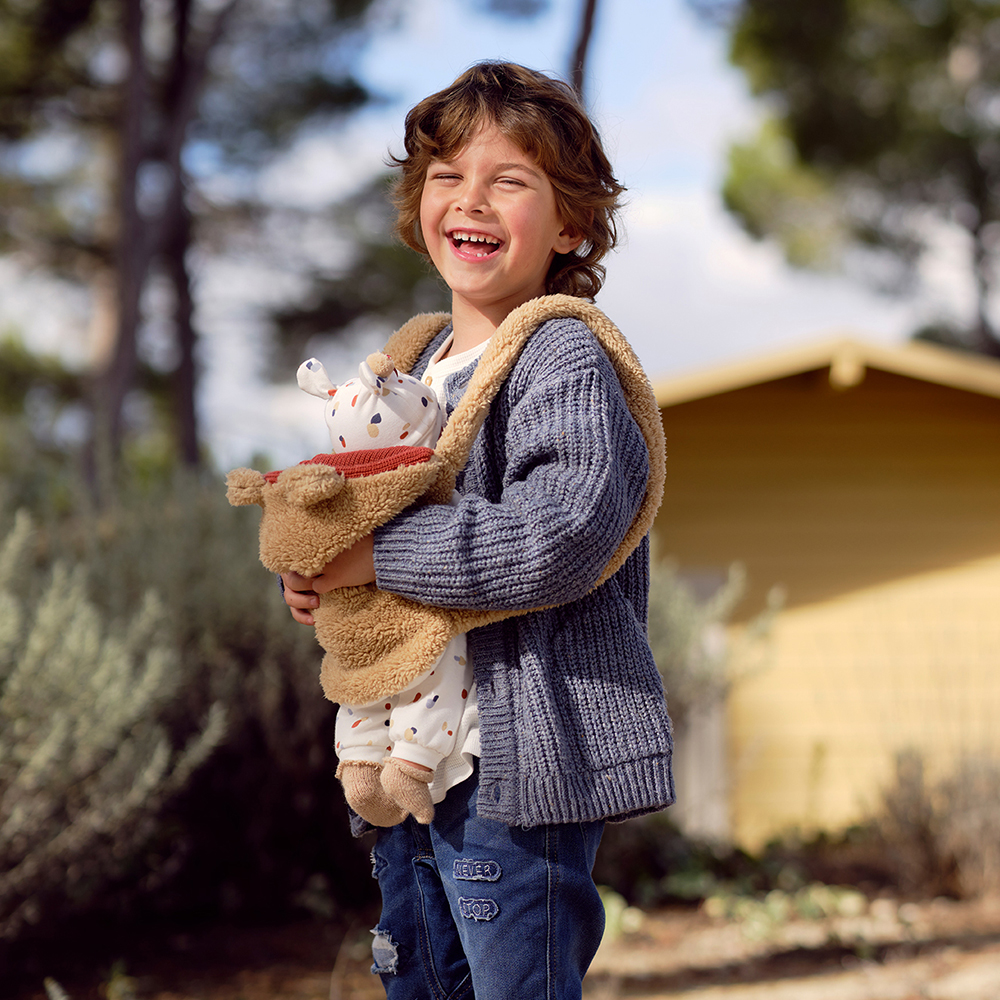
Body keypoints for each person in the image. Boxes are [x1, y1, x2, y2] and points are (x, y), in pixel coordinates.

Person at [280, 60, 674, 1000]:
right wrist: (319, 572)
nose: (474, 199)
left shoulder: (563, 355)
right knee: (418, 980)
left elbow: (560, 533)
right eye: (450, 177)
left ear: (571, 223)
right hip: (404, 750)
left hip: (513, 761)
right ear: (421, 205)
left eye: (511, 180)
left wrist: (376, 558)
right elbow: (358, 505)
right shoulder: (411, 364)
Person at [297, 350, 474, 827]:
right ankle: (411, 761)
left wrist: (358, 559)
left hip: (360, 625)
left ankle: (357, 761)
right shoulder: (424, 477)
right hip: (419, 616)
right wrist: (307, 576)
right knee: (438, 667)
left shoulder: (559, 353)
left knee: (362, 680)